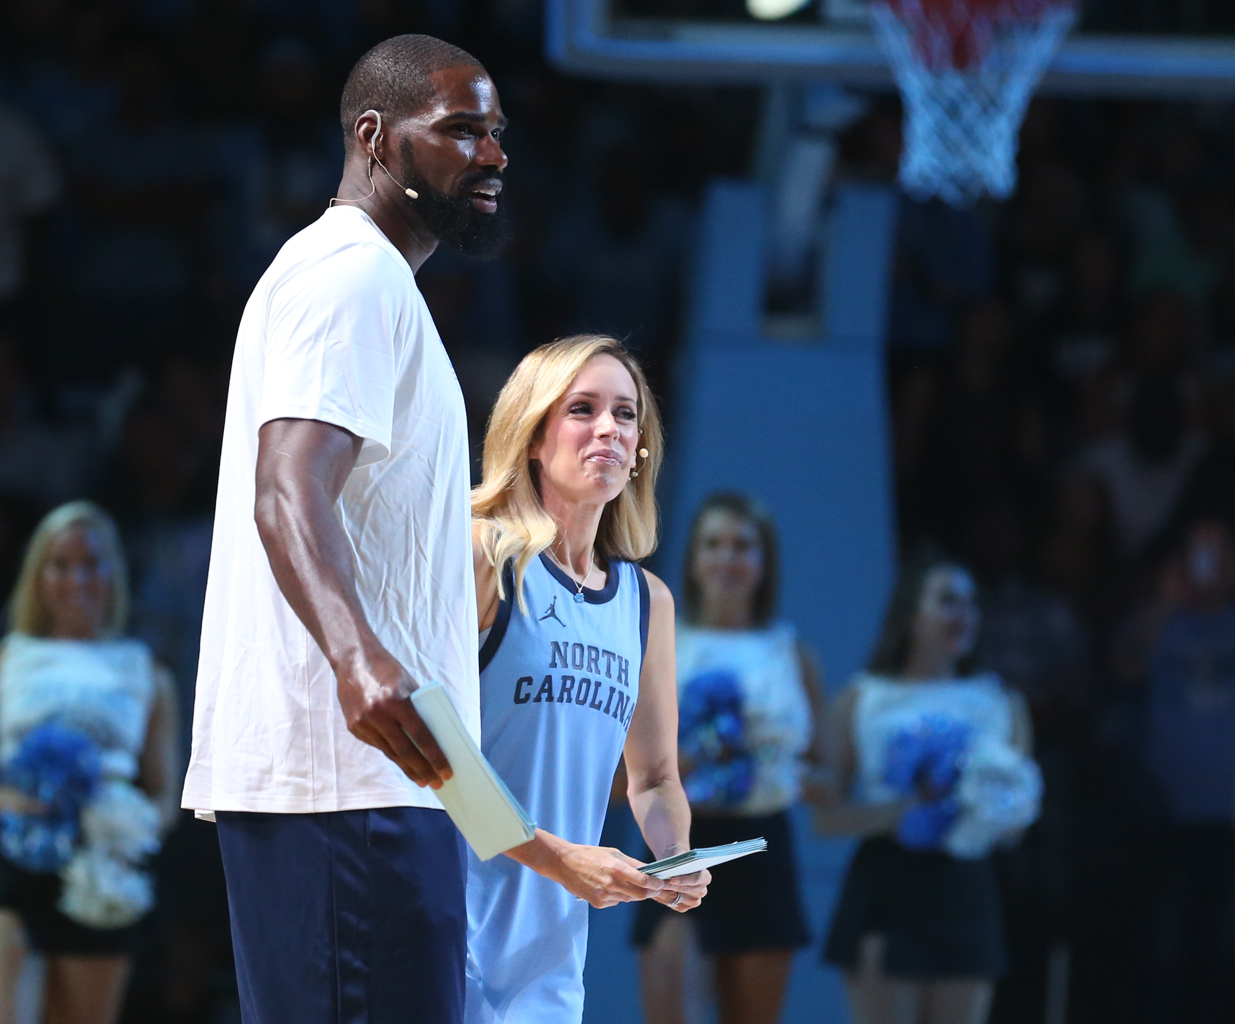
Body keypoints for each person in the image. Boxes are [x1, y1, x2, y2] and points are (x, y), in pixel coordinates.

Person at [180, 34, 509, 1024]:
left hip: (388, 784)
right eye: (460, 129)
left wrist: (490, 818)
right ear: (373, 137)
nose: (491, 154)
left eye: (497, 133)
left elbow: (401, 578)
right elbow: (287, 490)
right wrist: (357, 657)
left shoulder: (366, 283)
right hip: (344, 784)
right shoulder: (347, 276)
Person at [466, 335, 709, 1024]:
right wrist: (557, 858)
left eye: (626, 414)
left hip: (549, 954)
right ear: (533, 437)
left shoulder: (645, 603)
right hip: (444, 921)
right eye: (582, 408)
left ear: (640, 450)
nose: (609, 428)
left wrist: (674, 856)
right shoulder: (484, 552)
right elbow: (433, 755)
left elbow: (656, 779)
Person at [815, 557, 1036, 1024]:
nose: (964, 614)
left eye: (971, 603)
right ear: (912, 613)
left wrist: (982, 809)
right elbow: (826, 817)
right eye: (948, 601)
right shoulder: (862, 698)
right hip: (887, 884)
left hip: (965, 886)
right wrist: (906, 812)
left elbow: (1016, 826)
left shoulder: (1002, 703)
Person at [631, 491, 822, 1024]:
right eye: (713, 544)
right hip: (678, 841)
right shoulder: (661, 642)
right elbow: (623, 775)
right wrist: (692, 758)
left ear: (765, 562)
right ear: (693, 559)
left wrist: (778, 766)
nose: (727, 558)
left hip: (762, 845)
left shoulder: (791, 653)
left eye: (743, 546)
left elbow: (822, 770)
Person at [0, 501, 179, 1024]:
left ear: (113, 573)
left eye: (91, 563)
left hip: (98, 868)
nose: (77, 577)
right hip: (11, 857)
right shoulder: (10, 657)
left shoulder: (144, 670)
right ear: (39, 574)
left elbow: (164, 791)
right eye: (61, 564)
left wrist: (127, 830)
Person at [1114, 520, 1235, 1024]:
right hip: (1169, 815)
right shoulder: (1158, 622)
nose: (1208, 566)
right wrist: (1167, 599)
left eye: (1220, 553)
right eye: (1198, 554)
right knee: (1169, 942)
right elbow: (1123, 668)